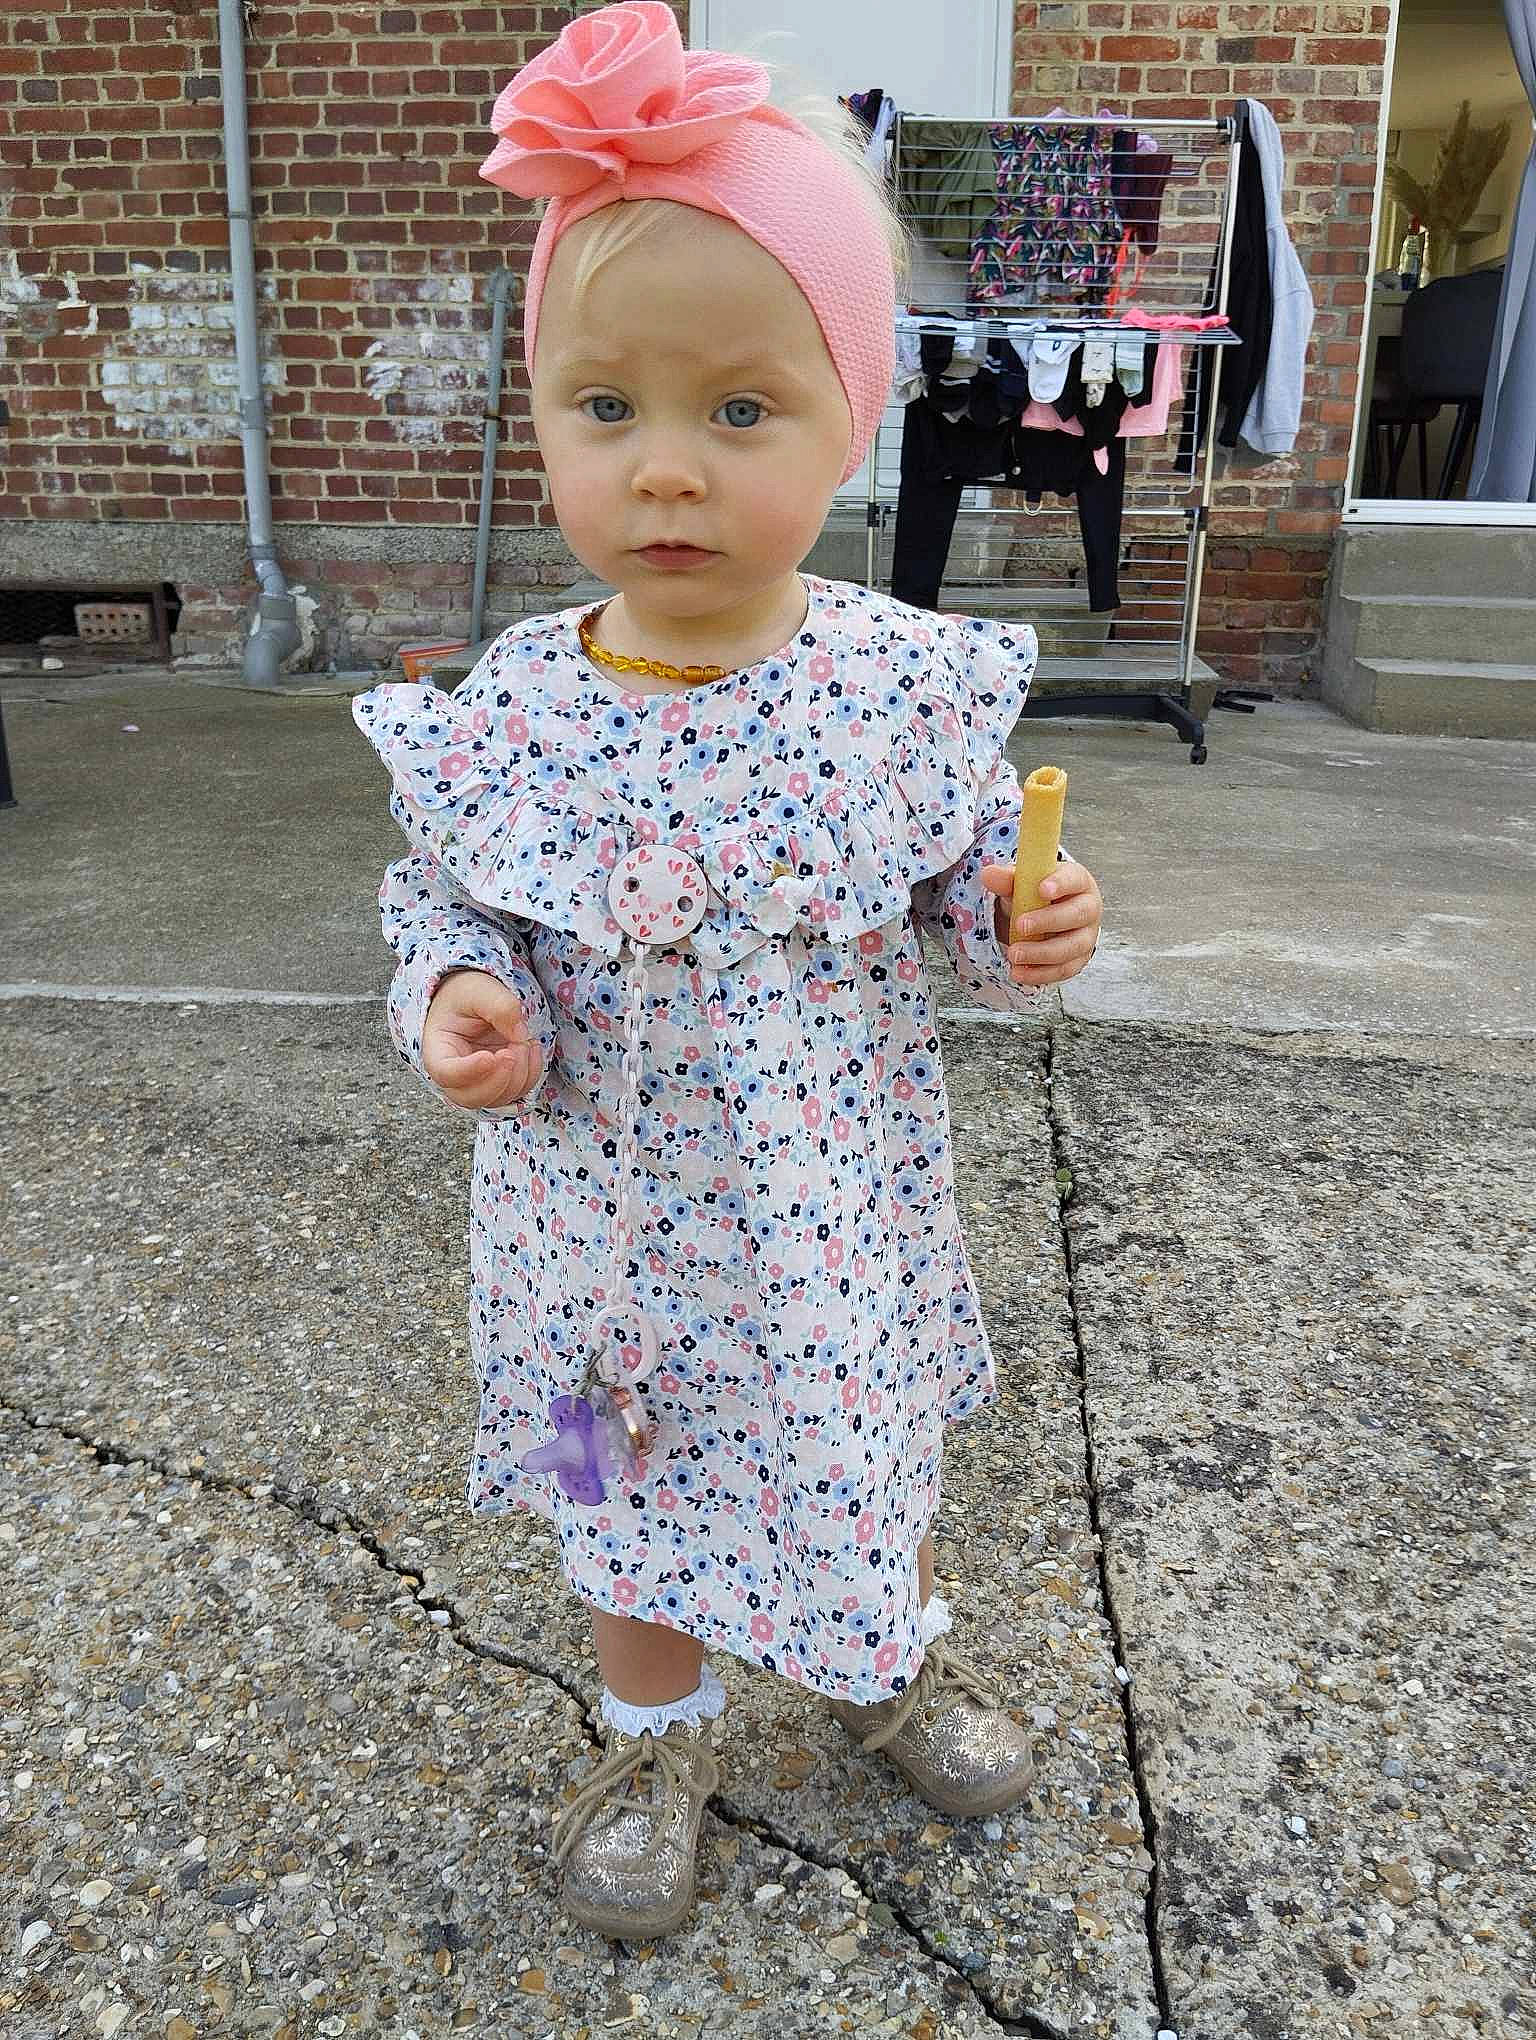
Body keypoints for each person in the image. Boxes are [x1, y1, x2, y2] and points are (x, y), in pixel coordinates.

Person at [352, 1, 1103, 1943]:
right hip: (587, 1237)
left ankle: (884, 1656)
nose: (667, 471)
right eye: (608, 408)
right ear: (547, 421)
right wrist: (453, 1002)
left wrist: (1017, 919)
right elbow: (441, 903)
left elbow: (951, 891)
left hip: (822, 1215)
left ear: (855, 412)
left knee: (860, 1447)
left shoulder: (888, 690)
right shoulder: (513, 705)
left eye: (740, 409)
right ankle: (652, 1731)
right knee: (620, 1500)